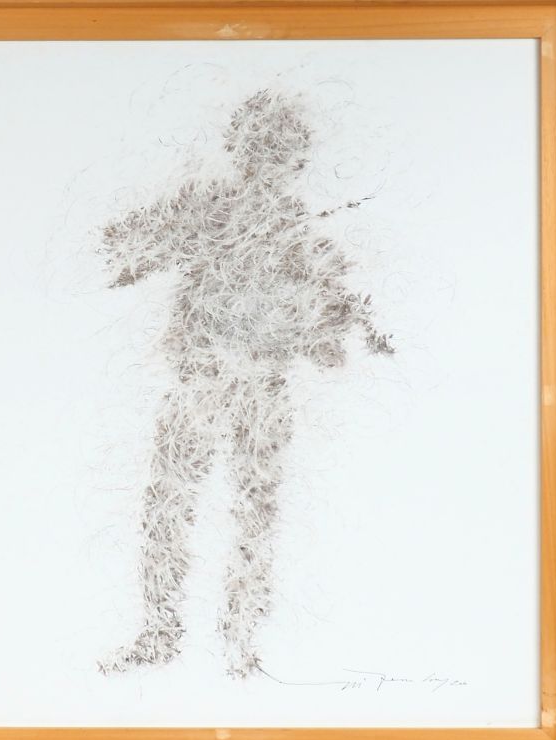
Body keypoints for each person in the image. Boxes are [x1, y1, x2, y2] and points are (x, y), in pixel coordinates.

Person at [96, 89, 393, 678]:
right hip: (205, 379)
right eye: (262, 151)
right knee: (181, 506)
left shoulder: (306, 239)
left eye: (280, 153)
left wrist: (339, 314)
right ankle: (175, 637)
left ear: (295, 161)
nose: (270, 164)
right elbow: (119, 257)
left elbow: (328, 350)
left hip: (257, 388)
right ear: (241, 151)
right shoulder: (213, 209)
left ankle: (236, 646)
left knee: (243, 513)